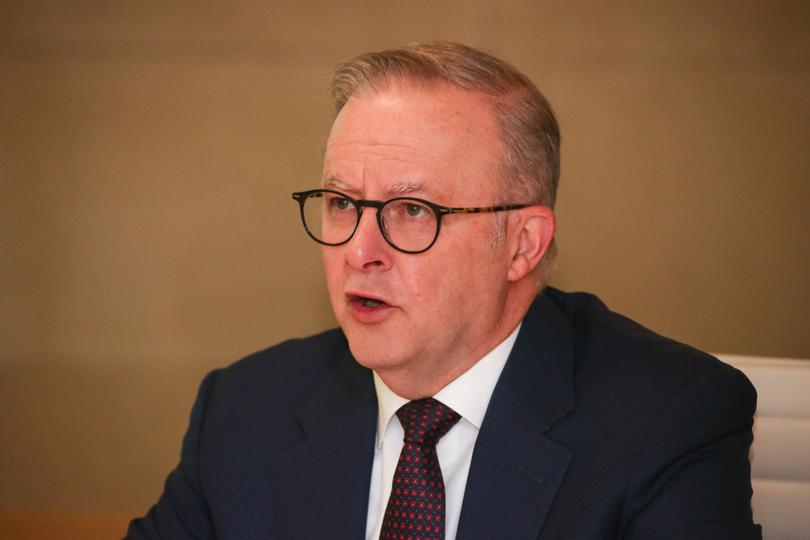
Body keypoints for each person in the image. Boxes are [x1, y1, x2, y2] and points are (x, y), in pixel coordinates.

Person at [126, 42, 760, 539]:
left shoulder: (666, 419)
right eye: (342, 202)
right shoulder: (244, 411)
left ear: (522, 245)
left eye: (412, 210)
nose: (358, 250)